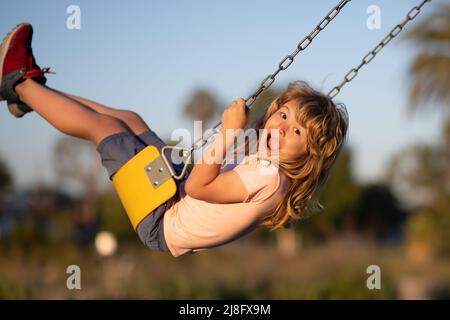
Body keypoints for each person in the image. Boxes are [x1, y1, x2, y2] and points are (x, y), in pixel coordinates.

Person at [0, 23, 348, 257]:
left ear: (310, 155)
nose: (283, 128)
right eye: (283, 116)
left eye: (297, 132)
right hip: (175, 191)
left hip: (163, 218)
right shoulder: (269, 165)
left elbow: (199, 188)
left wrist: (228, 133)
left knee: (104, 129)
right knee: (129, 119)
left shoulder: (270, 178)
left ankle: (18, 83)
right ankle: (34, 92)